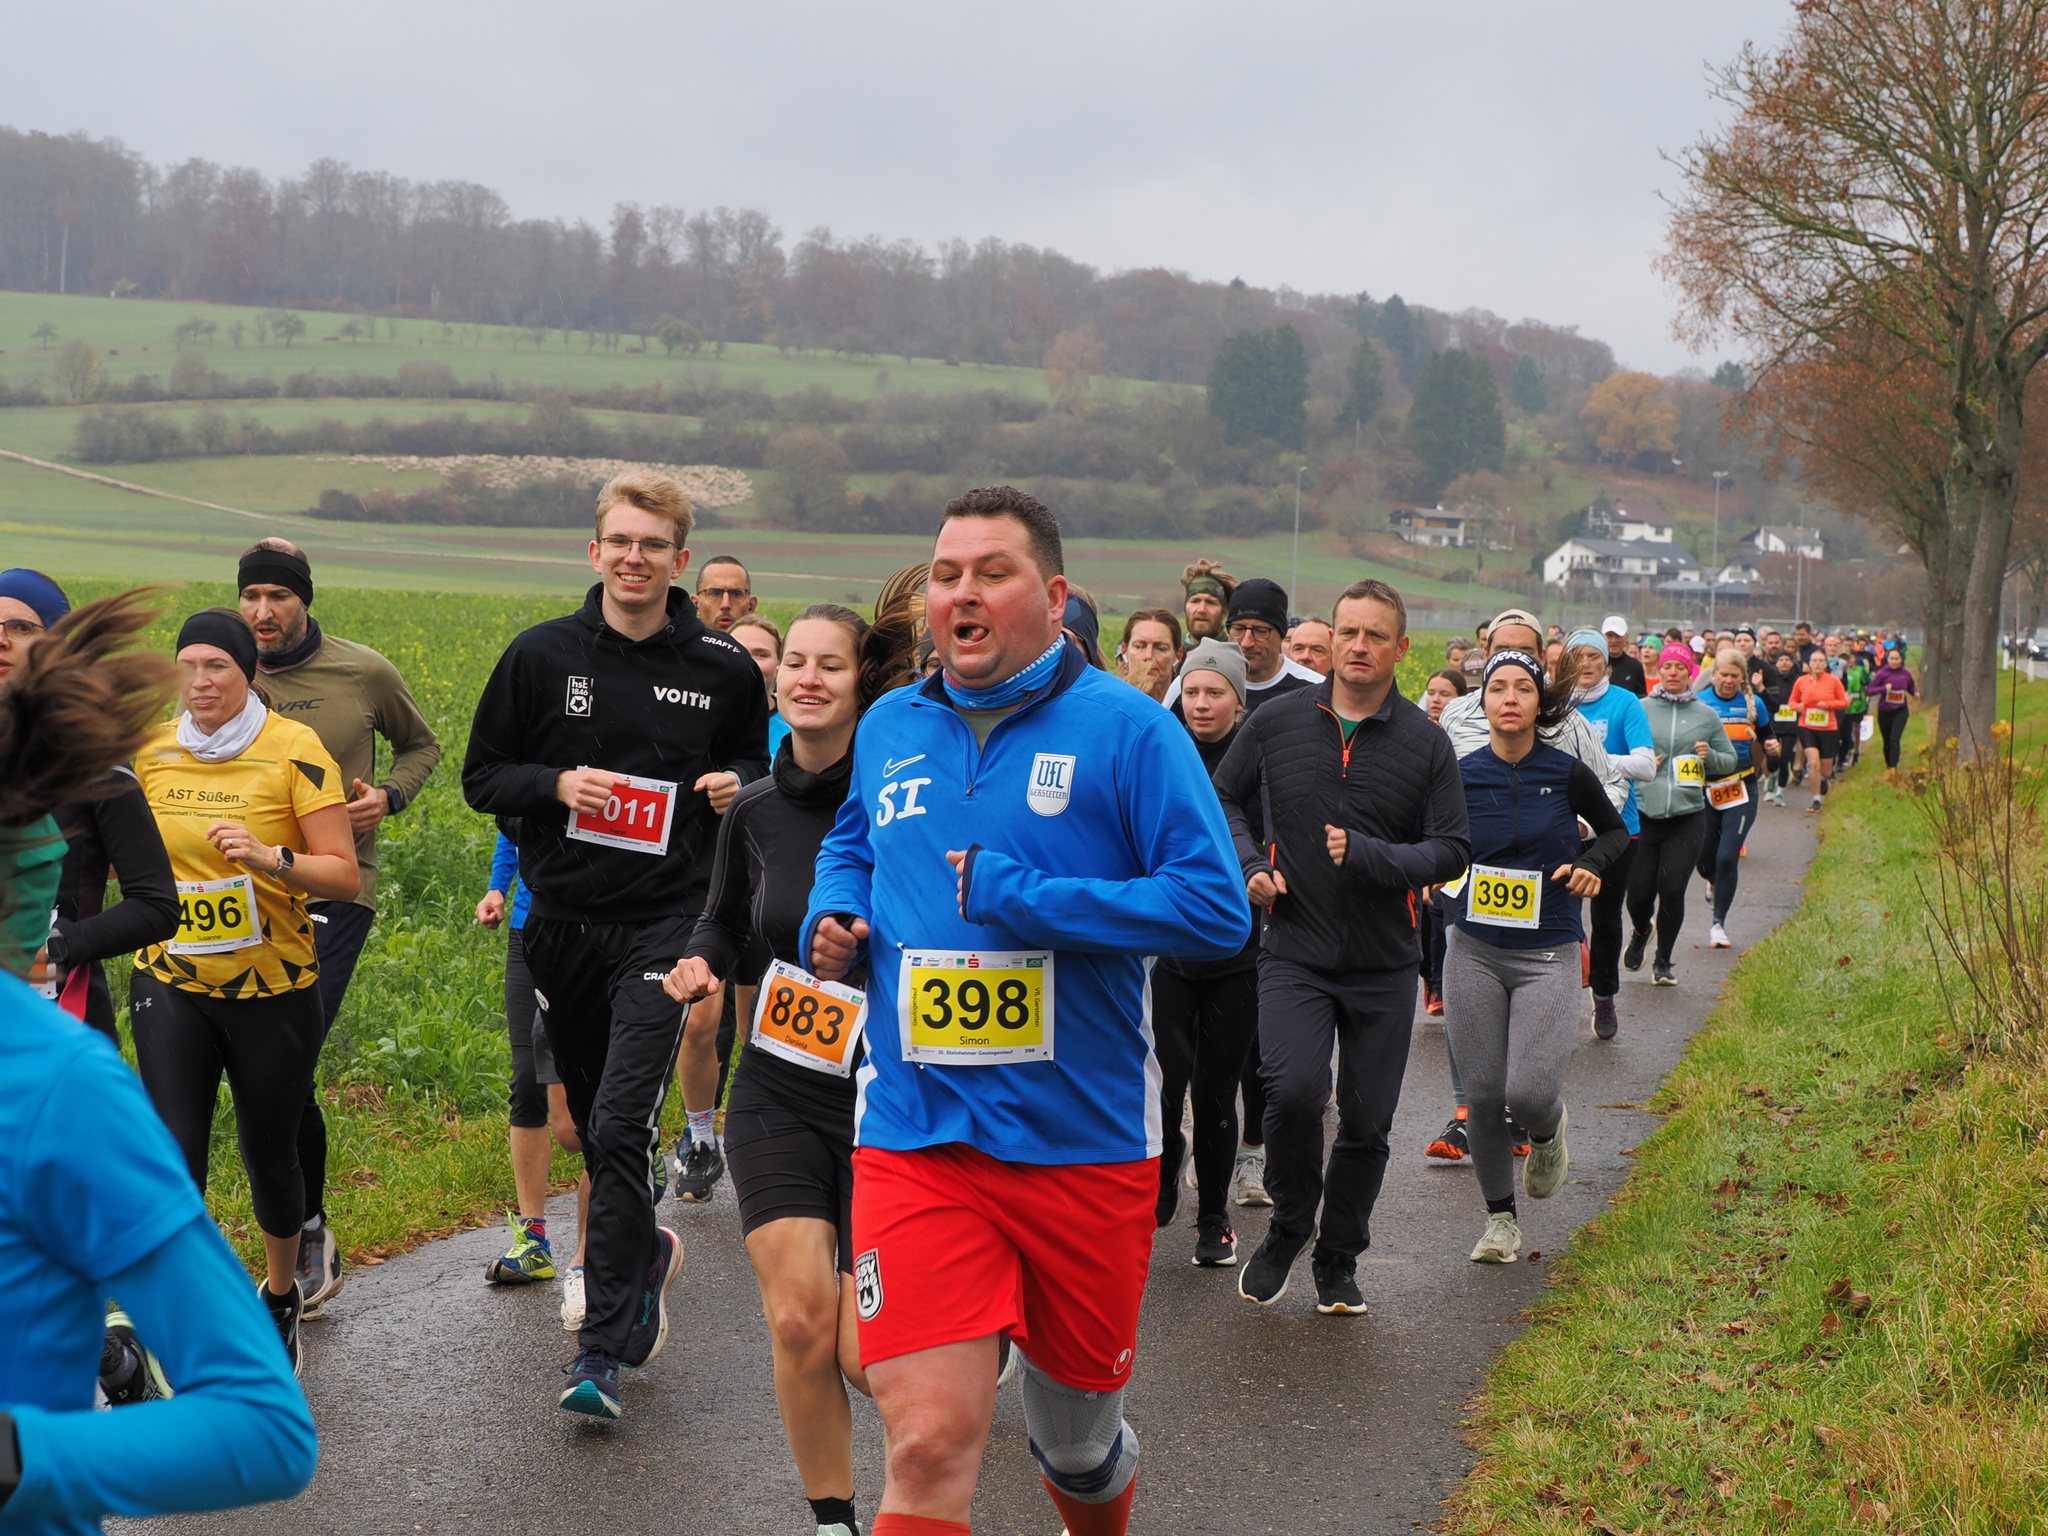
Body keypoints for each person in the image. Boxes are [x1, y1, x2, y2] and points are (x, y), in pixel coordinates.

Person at [801, 486, 1249, 1536]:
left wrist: (1030, 900)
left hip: (1082, 1143)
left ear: (1051, 598)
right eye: (946, 574)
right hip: (918, 1134)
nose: (961, 592)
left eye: (990, 573)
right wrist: (834, 909)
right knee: (925, 1441)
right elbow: (853, 842)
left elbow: (1213, 911)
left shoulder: (1130, 731)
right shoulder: (890, 726)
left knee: (1078, 1449)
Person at [0, 587, 321, 1535]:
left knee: (260, 1147)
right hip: (158, 989)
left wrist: (16, 1460)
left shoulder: (53, 1086)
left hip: (257, 984)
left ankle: (267, 1288)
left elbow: (266, 1430)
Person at [462, 469, 770, 1419]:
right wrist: (556, 786)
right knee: (592, 1130)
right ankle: (646, 1251)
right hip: (560, 923)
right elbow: (482, 778)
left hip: (667, 921)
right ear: (594, 551)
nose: (635, 559)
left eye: (654, 545)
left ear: (681, 559)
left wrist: (737, 785)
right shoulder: (540, 655)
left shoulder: (721, 665)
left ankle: (597, 1353)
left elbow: (759, 766)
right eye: (621, 542)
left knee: (622, 1121)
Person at [663, 593, 917, 1536]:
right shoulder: (754, 810)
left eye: (829, 665)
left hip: (893, 1101)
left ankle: (936, 1456)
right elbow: (723, 921)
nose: (806, 678)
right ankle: (833, 1521)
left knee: (866, 1355)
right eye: (794, 663)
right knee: (801, 1324)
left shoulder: (905, 806)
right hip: (778, 1090)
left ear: (863, 685)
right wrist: (698, 963)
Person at [1215, 579, 1470, 1314]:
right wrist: (1250, 865)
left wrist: (1370, 855)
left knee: (1365, 1121)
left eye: (1374, 635)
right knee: (1293, 1092)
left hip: (1383, 962)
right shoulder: (1277, 722)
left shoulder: (1426, 743)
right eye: (1348, 633)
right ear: (1330, 641)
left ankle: (1338, 1256)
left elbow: (1453, 848)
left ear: (1400, 648)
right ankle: (1290, 1225)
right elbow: (1223, 798)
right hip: (1293, 948)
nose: (1359, 646)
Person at [130, 607, 362, 1370]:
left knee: (270, 1156)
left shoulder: (295, 750)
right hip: (172, 979)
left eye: (217, 667)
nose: (200, 681)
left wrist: (270, 859)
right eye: (188, 666)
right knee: (174, 1158)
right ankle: (184, 1317)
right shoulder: (151, 750)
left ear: (248, 671)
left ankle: (281, 1294)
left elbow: (343, 874)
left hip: (274, 988)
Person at [236, 538, 443, 1320]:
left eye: (278, 596)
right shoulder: (225, 668)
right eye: (251, 596)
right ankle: (294, 1227)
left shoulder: (362, 671)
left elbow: (422, 744)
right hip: (239, 893)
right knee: (259, 1063)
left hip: (335, 888)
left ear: (305, 600)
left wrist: (389, 796)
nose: (263, 612)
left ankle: (309, 1231)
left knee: (288, 1051)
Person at [1446, 650, 1629, 1264]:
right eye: (1497, 687)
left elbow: (1615, 831)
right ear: (1483, 701)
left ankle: (1549, 1130)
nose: (1509, 698)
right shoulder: (1462, 774)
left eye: (1522, 688)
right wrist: (1433, 874)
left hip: (1547, 951)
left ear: (1538, 702)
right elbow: (1433, 841)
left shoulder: (1566, 772)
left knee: (1527, 1093)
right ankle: (1500, 1221)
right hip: (1472, 949)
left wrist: (1590, 864)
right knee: (1482, 1093)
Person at [0, 572, 179, 1041]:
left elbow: (157, 905)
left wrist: (55, 946)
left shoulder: (94, 766)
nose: (1, 640)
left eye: (22, 627)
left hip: (58, 1019)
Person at [1153, 639, 1262, 1268]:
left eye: (1215, 692)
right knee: (1165, 1086)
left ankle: (1215, 1219)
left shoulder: (1254, 761)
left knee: (1217, 1093)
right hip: (1172, 951)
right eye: (1191, 691)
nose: (1201, 703)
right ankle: (1167, 1165)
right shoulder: (1166, 750)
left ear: (1238, 702)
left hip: (1237, 954)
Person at [476, 830, 593, 1303]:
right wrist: (497, 887)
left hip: (601, 927)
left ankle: (623, 1182)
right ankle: (533, 1240)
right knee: (527, 1081)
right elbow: (514, 827)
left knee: (590, 1095)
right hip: (532, 927)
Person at [1622, 645, 1737, 987]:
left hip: (1687, 815)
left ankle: (1663, 961)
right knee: (1638, 893)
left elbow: (1729, 760)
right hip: (1644, 811)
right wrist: (1641, 762)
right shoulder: (1640, 708)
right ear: (1660, 670)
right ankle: (1641, 931)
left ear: (1690, 673)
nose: (1673, 672)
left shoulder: (1706, 714)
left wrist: (1709, 755)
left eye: (1680, 667)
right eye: (1667, 666)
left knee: (1672, 887)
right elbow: (1617, 753)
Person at [1561, 629, 1655, 1041]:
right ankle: (1556, 997)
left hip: (1617, 827)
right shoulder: (1555, 703)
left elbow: (1646, 765)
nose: (1586, 664)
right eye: (1577, 656)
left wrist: (1593, 762)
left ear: (1607, 663)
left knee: (1605, 917)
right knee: (1559, 917)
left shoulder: (1625, 702)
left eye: (1594, 657)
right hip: (1564, 824)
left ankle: (1604, 996)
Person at [1696, 648, 1773, 950]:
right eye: (1724, 674)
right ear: (1713, 674)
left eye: (1734, 676)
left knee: (1727, 856)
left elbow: (1767, 736)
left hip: (1741, 788)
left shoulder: (1754, 704)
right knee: (1705, 859)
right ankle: (1712, 879)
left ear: (1743, 678)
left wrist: (1773, 747)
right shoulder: (1699, 702)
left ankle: (1718, 923)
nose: (1728, 680)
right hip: (1704, 787)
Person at [1788, 648, 1850, 812]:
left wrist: (1828, 704)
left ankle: (1824, 779)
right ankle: (1816, 799)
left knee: (1825, 769)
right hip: (1807, 726)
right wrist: (1797, 706)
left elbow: (1844, 702)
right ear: (1809, 664)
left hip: (1828, 727)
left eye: (1821, 661)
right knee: (1813, 762)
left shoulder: (1833, 680)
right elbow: (1792, 701)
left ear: (1825, 664)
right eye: (1814, 661)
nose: (1817, 664)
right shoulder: (1801, 681)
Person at [733, 615, 789, 757]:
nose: (748, 662)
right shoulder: (699, 720)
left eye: (761, 655)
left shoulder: (795, 731)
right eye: (737, 651)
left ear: (779, 666)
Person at [1116, 607, 1182, 702]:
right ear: (1124, 651)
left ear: (1178, 656)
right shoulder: (1109, 704)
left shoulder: (1189, 708)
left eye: (1161, 648)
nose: (1149, 655)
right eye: (1139, 646)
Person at [1762, 649, 1800, 804]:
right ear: (1776, 663)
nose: (1784, 663)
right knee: (1772, 758)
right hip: (1773, 722)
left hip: (1791, 723)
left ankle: (1780, 792)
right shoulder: (1770, 678)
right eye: (1781, 660)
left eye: (1787, 660)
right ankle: (1772, 774)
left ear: (1792, 663)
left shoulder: (1798, 679)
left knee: (1785, 758)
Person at [1870, 646, 1917, 768]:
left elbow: (1911, 688)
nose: (1894, 661)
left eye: (1897, 659)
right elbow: (1869, 690)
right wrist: (1884, 688)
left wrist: (1915, 693)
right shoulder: (1882, 674)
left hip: (1900, 711)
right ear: (1888, 659)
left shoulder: (1905, 674)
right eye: (1892, 659)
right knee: (1887, 740)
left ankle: (1893, 768)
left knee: (1894, 739)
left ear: (1901, 659)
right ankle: (1888, 766)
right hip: (1885, 711)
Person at [695, 554, 759, 632]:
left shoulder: (764, 639)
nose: (725, 605)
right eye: (715, 594)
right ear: (696, 605)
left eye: (736, 594)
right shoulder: (682, 639)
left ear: (751, 606)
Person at [1180, 558, 1237, 642]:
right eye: (1195, 601)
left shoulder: (1238, 650)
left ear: (1224, 612)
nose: (1201, 610)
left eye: (1211, 602)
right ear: (1185, 608)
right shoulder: (1171, 649)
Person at [1841, 644, 1870, 770]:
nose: (1848, 660)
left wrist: (1866, 693)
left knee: (1856, 728)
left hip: (1858, 704)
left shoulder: (1860, 670)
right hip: (1843, 705)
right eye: (1845, 658)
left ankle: (1855, 751)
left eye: (1850, 657)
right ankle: (1845, 751)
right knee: (1845, 730)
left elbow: (1868, 681)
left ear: (1854, 658)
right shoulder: (1840, 670)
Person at [1602, 615, 1646, 696]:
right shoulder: (1597, 664)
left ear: (1626, 638)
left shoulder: (1635, 666)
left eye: (1618, 636)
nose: (1614, 640)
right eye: (1610, 635)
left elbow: (1641, 697)